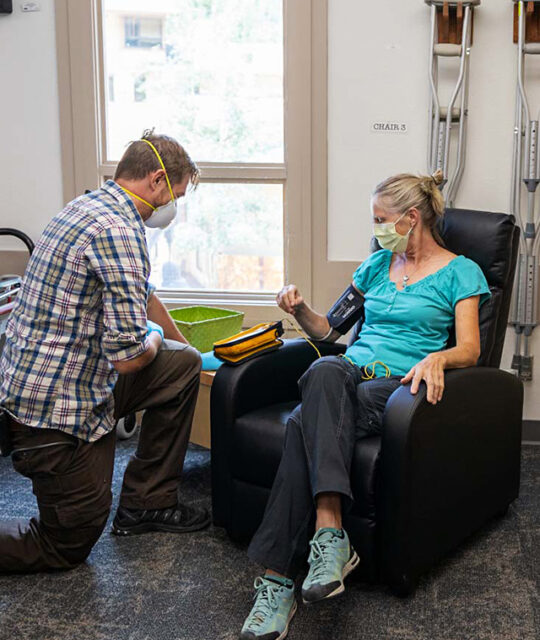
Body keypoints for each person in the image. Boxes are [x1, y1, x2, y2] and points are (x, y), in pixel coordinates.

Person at [238, 170, 491, 640]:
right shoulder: (375, 267)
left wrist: (439, 355)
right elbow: (329, 332)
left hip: (395, 388)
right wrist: (298, 309)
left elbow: (471, 348)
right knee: (327, 369)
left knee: (301, 421)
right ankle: (330, 537)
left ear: (410, 219)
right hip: (343, 379)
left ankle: (277, 583)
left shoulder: (461, 272)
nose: (374, 228)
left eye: (381, 219)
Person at [0, 130, 210, 573]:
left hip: (61, 381)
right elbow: (130, 357)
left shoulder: (88, 206)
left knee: (183, 365)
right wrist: (154, 337)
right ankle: (70, 486)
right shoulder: (119, 231)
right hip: (55, 414)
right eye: (177, 194)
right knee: (65, 544)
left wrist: (184, 345)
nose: (175, 206)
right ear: (156, 181)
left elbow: (143, 293)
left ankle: (147, 503)